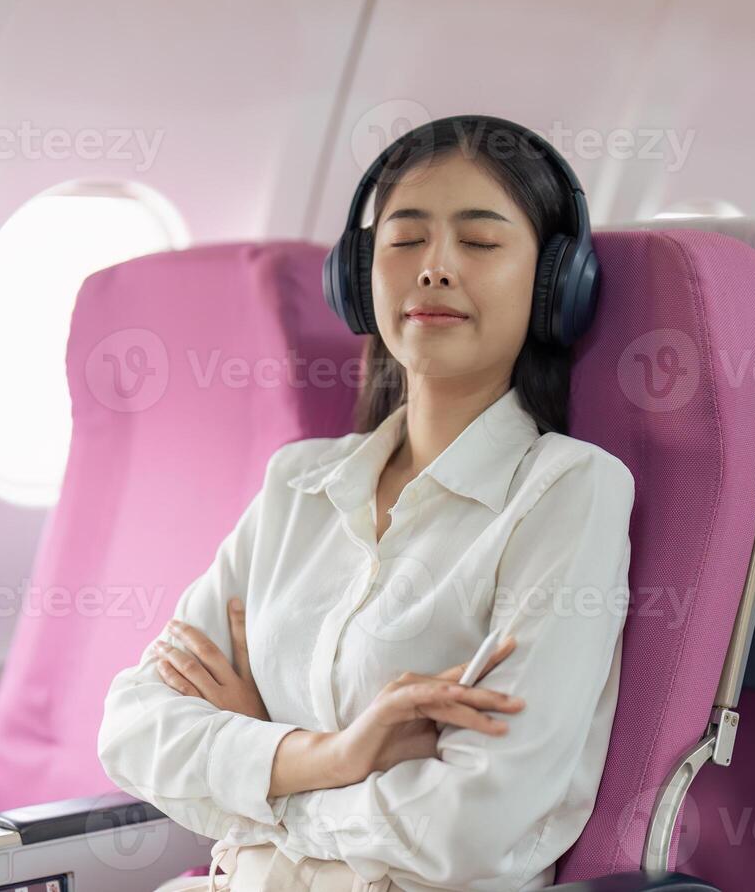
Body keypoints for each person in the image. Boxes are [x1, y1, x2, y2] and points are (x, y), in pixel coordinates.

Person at [97, 115, 636, 891]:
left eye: (480, 244)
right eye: (405, 239)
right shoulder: (299, 485)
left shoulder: (567, 492)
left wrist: (258, 760)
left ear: (554, 286)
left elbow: (474, 826)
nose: (435, 269)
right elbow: (132, 729)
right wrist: (337, 754)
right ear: (358, 276)